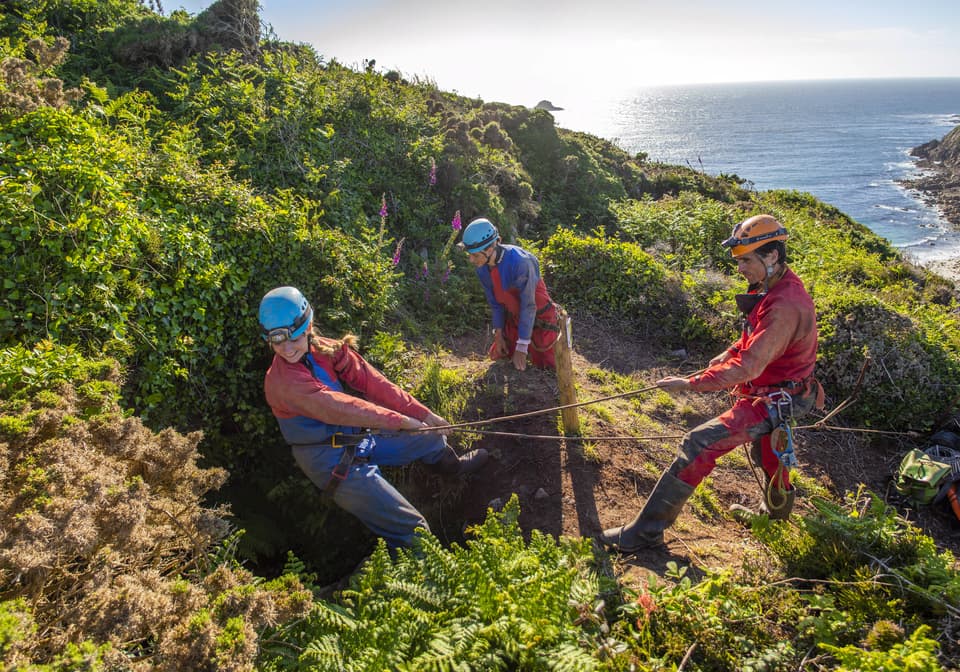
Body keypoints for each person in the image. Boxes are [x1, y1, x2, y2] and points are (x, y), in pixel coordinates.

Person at [600, 214, 823, 553]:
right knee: (769, 456)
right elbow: (754, 340)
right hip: (775, 392)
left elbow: (749, 366)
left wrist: (690, 385)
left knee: (699, 443)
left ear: (772, 255)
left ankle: (644, 534)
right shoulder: (774, 286)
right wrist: (728, 351)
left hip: (777, 397)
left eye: (746, 260)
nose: (740, 268)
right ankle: (772, 519)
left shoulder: (785, 306)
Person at [259, 286, 489, 550]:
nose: (287, 349)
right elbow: (343, 408)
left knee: (429, 438)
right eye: (278, 343)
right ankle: (402, 582)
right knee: (413, 531)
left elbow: (373, 382)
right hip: (329, 461)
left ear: (309, 325)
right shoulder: (281, 384)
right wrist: (402, 422)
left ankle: (454, 470)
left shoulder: (326, 350)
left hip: (356, 440)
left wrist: (423, 414)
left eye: (295, 339)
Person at [461, 217, 561, 371]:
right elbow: (496, 304)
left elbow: (529, 305)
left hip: (541, 319)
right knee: (502, 356)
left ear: (489, 249)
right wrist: (499, 334)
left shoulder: (520, 262)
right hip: (515, 318)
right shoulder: (482, 268)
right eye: (470, 254)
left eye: (474, 255)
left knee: (547, 368)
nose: (471, 259)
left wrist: (522, 347)